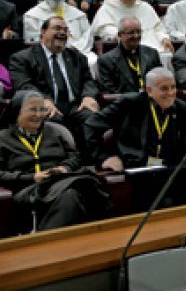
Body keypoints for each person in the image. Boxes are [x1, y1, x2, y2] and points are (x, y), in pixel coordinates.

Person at [0, 91, 108, 232]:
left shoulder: (55, 132)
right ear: (17, 111)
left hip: (60, 180)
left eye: (42, 109)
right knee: (76, 192)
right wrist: (32, 177)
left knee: (73, 193)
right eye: (33, 110)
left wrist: (64, 168)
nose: (39, 115)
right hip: (28, 189)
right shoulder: (2, 138)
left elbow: (75, 157)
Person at [85, 68, 186, 171]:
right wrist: (104, 157)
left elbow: (178, 147)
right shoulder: (128, 103)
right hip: (136, 168)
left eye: (173, 87)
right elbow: (90, 125)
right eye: (164, 89)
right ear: (149, 90)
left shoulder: (181, 108)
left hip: (167, 168)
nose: (171, 93)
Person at [9, 17, 100, 143]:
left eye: (65, 30)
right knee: (51, 119)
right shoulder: (22, 58)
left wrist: (89, 96)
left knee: (92, 116)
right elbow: (24, 85)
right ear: (43, 32)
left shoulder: (76, 57)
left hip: (74, 107)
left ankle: (94, 160)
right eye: (57, 28)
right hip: (45, 107)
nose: (62, 33)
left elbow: (88, 80)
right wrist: (42, 100)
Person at [24, 0, 95, 65]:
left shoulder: (78, 14)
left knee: (92, 61)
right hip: (49, 54)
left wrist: (74, 49)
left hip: (78, 51)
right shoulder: (32, 15)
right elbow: (34, 41)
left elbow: (87, 36)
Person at [92, 0, 174, 53]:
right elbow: (104, 29)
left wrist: (164, 38)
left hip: (151, 45)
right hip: (123, 46)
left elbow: (158, 28)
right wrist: (122, 36)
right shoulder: (108, 8)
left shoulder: (145, 7)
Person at [97, 16, 162, 94]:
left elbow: (161, 81)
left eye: (139, 31)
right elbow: (109, 91)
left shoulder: (152, 53)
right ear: (120, 35)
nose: (136, 36)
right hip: (124, 104)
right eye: (131, 32)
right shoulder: (106, 61)